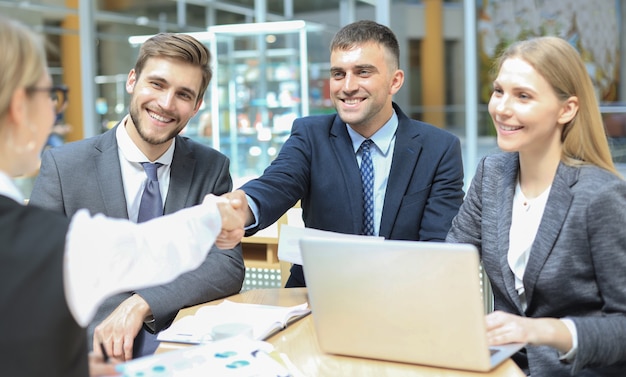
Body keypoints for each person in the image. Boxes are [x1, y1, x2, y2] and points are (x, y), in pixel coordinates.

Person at [0, 16, 245, 377]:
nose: (165, 102)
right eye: (52, 94)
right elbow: (119, 254)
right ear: (132, 80)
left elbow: (221, 264)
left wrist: (140, 306)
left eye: (183, 94)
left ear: (197, 106)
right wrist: (218, 216)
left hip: (173, 344)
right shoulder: (63, 169)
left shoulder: (210, 165)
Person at [226, 20, 465, 287]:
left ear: (394, 81)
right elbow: (276, 183)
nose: (347, 86)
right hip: (318, 296)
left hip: (403, 296)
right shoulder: (310, 135)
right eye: (338, 74)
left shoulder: (439, 148)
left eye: (363, 72)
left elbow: (439, 247)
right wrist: (240, 208)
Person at [446, 36, 626, 376]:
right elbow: (452, 263)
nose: (501, 108)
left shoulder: (600, 196)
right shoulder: (491, 174)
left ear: (567, 109)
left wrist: (540, 331)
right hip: (498, 366)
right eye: (499, 91)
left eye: (523, 96)